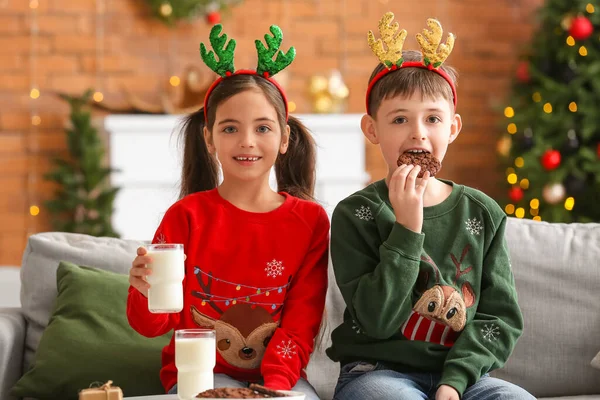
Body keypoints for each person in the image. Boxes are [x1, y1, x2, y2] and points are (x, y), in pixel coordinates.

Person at [326, 13, 535, 400]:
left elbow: (499, 318)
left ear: (452, 128)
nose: (418, 132)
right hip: (376, 373)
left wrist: (454, 383)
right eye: (400, 118)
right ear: (372, 129)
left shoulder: (481, 212)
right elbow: (376, 321)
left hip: (463, 378)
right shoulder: (355, 214)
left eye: (432, 118)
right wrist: (406, 229)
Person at [126, 23, 329, 400]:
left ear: (285, 139)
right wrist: (143, 290)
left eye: (263, 128)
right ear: (209, 138)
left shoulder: (311, 222)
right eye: (231, 128)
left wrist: (273, 389)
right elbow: (154, 325)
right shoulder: (184, 216)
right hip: (196, 376)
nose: (247, 142)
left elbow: (301, 322)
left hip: (279, 378)